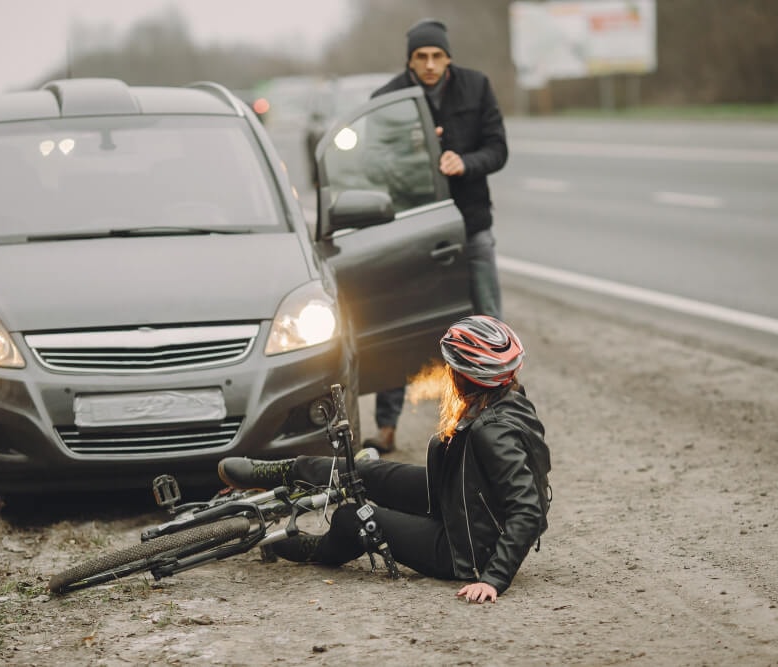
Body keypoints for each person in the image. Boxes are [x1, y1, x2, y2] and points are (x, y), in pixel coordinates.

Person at [218, 315, 549, 603]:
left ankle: (317, 549)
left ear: (470, 375)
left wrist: (493, 579)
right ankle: (279, 471)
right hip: (458, 502)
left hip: (462, 549)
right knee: (365, 471)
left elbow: (528, 508)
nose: (448, 371)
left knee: (354, 517)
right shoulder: (504, 400)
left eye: (453, 367)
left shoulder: (493, 431)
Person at [363, 18, 509, 454]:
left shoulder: (476, 87)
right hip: (409, 230)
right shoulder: (385, 101)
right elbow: (374, 166)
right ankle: (386, 426)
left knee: (487, 320)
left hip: (470, 224)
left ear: (448, 58)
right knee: (397, 324)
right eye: (420, 57)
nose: (429, 64)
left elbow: (498, 148)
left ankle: (500, 414)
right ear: (409, 60)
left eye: (437, 56)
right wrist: (416, 158)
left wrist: (465, 162)